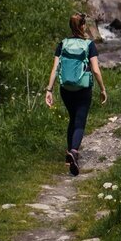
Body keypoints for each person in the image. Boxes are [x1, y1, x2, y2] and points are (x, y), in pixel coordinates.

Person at [44, 13, 108, 175]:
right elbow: (95, 70)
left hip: (65, 89)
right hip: (83, 89)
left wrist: (49, 90)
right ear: (83, 26)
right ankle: (73, 151)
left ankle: (69, 156)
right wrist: (102, 89)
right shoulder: (89, 44)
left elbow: (55, 69)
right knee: (80, 121)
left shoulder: (63, 44)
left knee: (72, 118)